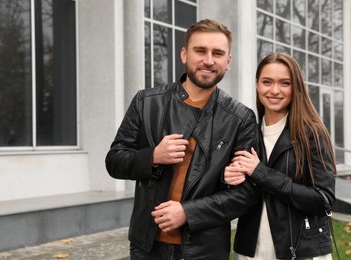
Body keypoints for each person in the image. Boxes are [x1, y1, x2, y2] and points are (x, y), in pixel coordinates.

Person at [105, 19, 258, 260]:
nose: (209, 60)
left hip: (205, 250)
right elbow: (114, 161)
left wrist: (189, 212)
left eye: (217, 53)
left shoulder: (240, 118)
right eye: (200, 51)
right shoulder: (146, 102)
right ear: (184, 54)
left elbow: (247, 193)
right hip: (147, 246)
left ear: (228, 62)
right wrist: (153, 156)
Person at [224, 53, 337, 260]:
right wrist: (229, 180)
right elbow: (238, 198)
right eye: (267, 82)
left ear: (296, 88)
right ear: (257, 85)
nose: (275, 90)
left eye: (285, 83)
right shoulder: (246, 133)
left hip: (300, 251)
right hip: (251, 251)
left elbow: (324, 200)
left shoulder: (311, 133)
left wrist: (262, 173)